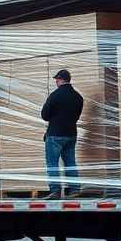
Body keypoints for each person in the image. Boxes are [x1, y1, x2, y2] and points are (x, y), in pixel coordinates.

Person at [41, 69, 84, 199]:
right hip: (71, 134)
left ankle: (55, 191)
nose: (56, 82)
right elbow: (76, 116)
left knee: (52, 163)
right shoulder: (78, 97)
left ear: (60, 80)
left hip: (55, 134)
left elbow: (44, 115)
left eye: (57, 80)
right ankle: (75, 189)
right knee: (70, 162)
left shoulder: (55, 95)